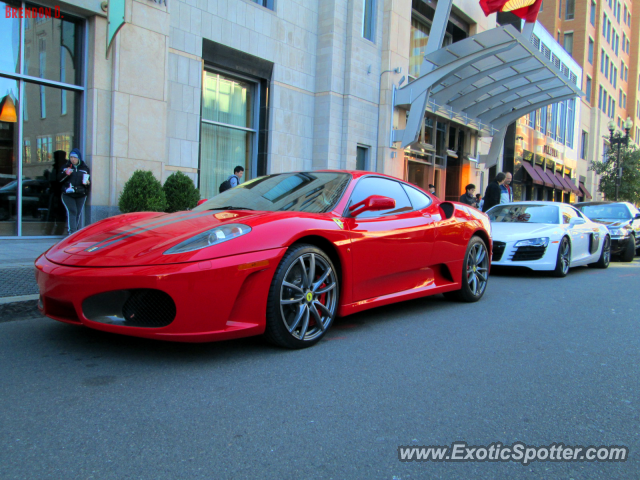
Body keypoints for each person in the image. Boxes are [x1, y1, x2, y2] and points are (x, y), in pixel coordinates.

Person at [58, 148, 90, 235]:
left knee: (77, 213)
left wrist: (87, 183)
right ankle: (72, 233)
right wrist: (66, 174)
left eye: (75, 157)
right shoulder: (65, 167)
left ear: (79, 158)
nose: (73, 159)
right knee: (73, 211)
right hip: (68, 194)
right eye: (71, 157)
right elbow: (59, 180)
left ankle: (73, 232)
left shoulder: (85, 168)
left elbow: (87, 183)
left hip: (80, 194)